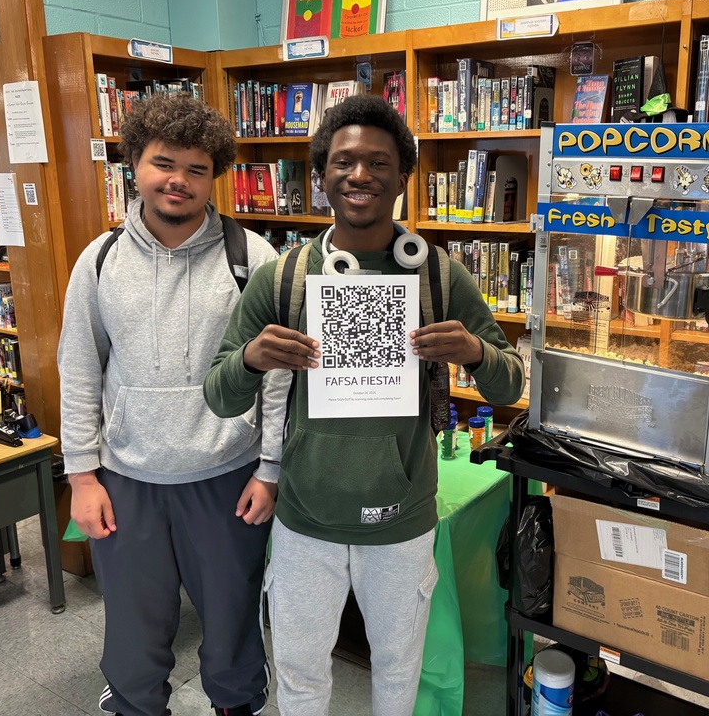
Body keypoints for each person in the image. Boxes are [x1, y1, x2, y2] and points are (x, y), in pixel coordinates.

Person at [204, 94, 524, 715]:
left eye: (379, 163)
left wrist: (475, 354)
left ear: (402, 177)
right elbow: (219, 393)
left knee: (399, 673)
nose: (360, 175)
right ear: (321, 173)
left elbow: (510, 384)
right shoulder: (286, 277)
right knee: (299, 676)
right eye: (344, 161)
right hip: (304, 521)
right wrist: (252, 360)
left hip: (401, 522)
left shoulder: (438, 276)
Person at [58, 92, 288, 716]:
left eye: (196, 169)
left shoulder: (253, 261)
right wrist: (81, 475)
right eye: (164, 163)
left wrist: (269, 470)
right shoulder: (98, 261)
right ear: (134, 163)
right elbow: (78, 370)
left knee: (234, 628)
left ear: (215, 176)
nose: (178, 181)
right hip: (126, 483)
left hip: (227, 481)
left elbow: (276, 378)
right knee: (133, 639)